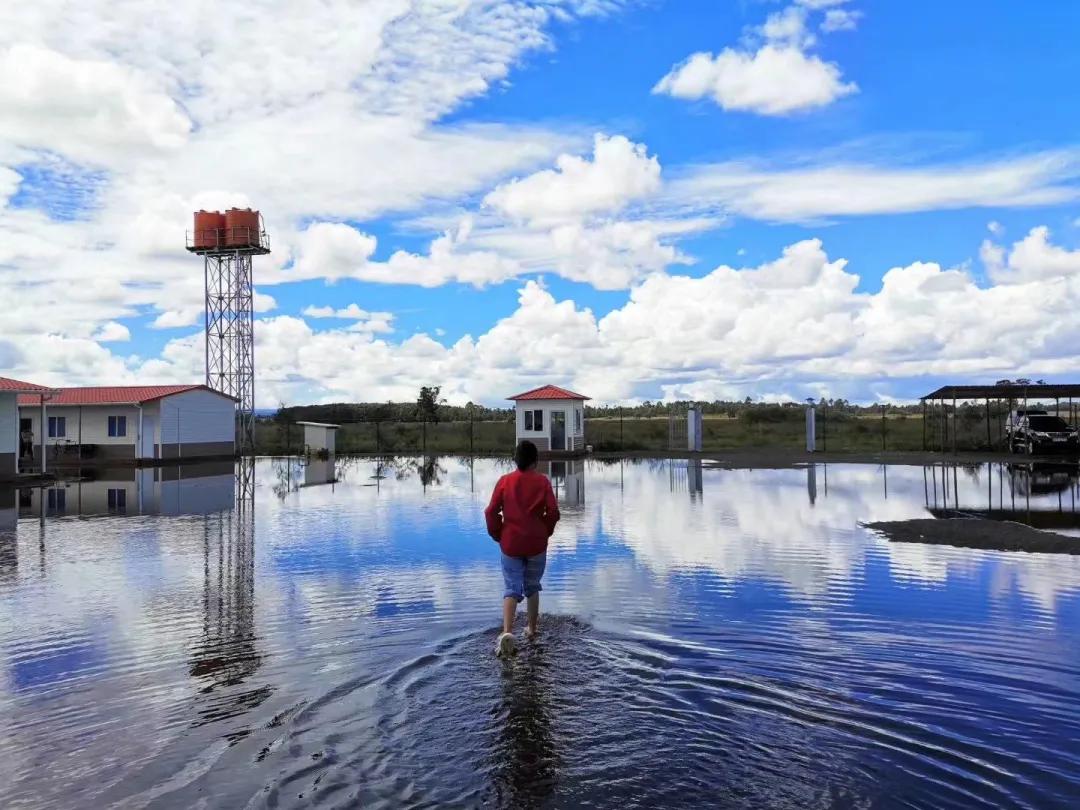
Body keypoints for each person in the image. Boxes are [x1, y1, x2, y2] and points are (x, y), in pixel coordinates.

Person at [485, 440, 560, 657]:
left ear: (515, 460)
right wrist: (545, 531)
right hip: (536, 543)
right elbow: (553, 512)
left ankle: (507, 633)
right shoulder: (543, 482)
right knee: (532, 586)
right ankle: (532, 630)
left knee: (511, 588)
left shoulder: (505, 481)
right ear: (535, 461)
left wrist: (498, 534)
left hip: (511, 543)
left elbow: (491, 512)